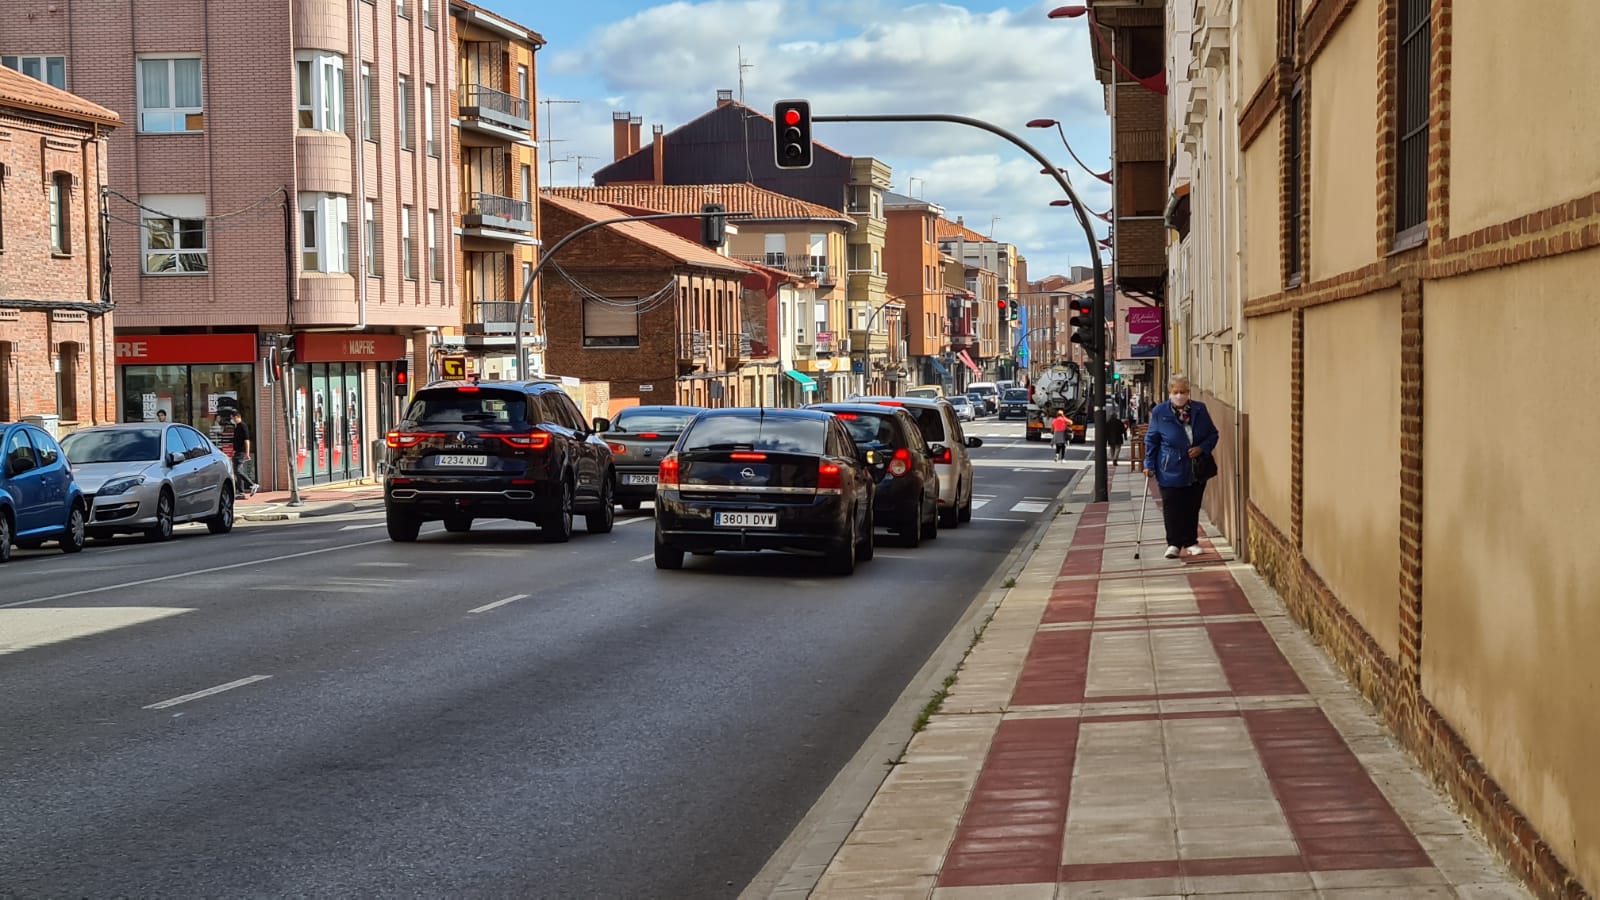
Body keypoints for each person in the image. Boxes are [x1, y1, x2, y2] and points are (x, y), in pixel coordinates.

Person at [1143, 375, 1219, 559]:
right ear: (1170, 393)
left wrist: (1202, 448)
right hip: (1169, 466)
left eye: (1182, 392)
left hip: (1195, 467)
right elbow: (1152, 439)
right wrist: (1148, 464)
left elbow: (1213, 434)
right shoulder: (1161, 412)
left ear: (1188, 392)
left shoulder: (1199, 410)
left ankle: (1191, 541)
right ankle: (1173, 543)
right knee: (1172, 506)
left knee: (1192, 506)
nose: (1179, 395)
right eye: (1175, 392)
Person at [230, 411, 258, 497]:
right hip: (237, 452)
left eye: (232, 418)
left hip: (241, 452)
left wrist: (247, 453)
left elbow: (247, 440)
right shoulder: (237, 426)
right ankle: (241, 491)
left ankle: (252, 484)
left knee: (237, 471)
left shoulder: (243, 426)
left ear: (236, 417)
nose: (232, 419)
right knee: (237, 472)